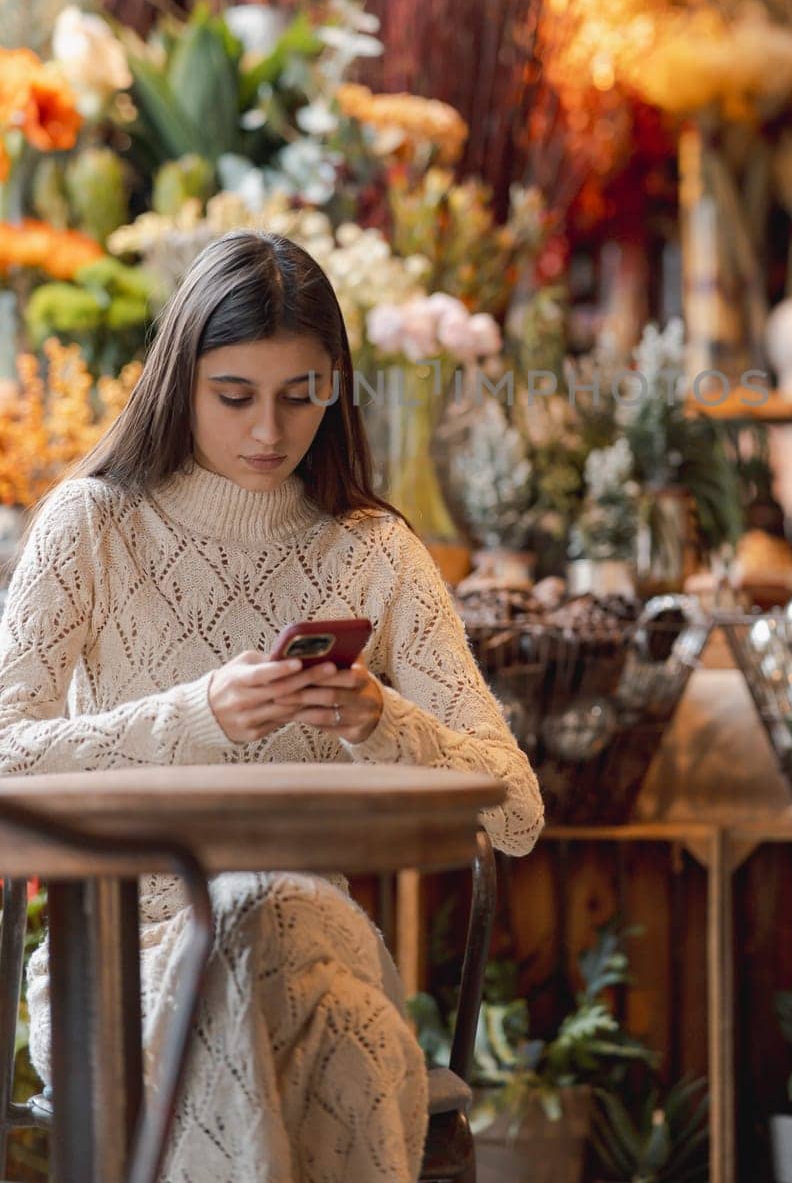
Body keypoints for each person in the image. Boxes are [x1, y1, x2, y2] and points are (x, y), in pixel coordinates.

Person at [0, 229, 543, 1183]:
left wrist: (383, 721)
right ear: (180, 383)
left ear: (336, 388)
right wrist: (194, 714)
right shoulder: (91, 525)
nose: (269, 431)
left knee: (278, 924)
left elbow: (515, 809)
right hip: (120, 963)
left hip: (314, 938)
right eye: (235, 397)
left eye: (301, 396)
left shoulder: (371, 549)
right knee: (325, 1022)